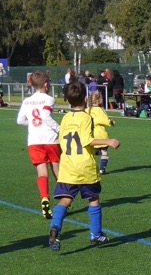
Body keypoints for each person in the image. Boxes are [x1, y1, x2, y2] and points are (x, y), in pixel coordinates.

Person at [47, 81, 121, 252]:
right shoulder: (86, 117)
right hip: (85, 166)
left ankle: (55, 226)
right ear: (85, 99)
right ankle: (96, 234)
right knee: (93, 199)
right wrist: (108, 140)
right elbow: (87, 140)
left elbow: (61, 140)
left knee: (65, 200)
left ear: (68, 100)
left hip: (68, 167)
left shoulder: (66, 118)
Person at [16, 71, 62, 219]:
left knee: (42, 173)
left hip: (34, 141)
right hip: (50, 139)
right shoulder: (49, 99)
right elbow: (45, 116)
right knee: (57, 170)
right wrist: (59, 129)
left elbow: (20, 120)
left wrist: (33, 124)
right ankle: (64, 200)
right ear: (46, 84)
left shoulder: (27, 101)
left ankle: (44, 198)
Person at [88, 91, 116, 174]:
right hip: (100, 134)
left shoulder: (87, 110)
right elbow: (104, 120)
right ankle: (102, 169)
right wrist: (111, 122)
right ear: (99, 100)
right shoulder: (100, 110)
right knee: (104, 151)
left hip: (91, 134)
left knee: (91, 153)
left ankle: (91, 169)